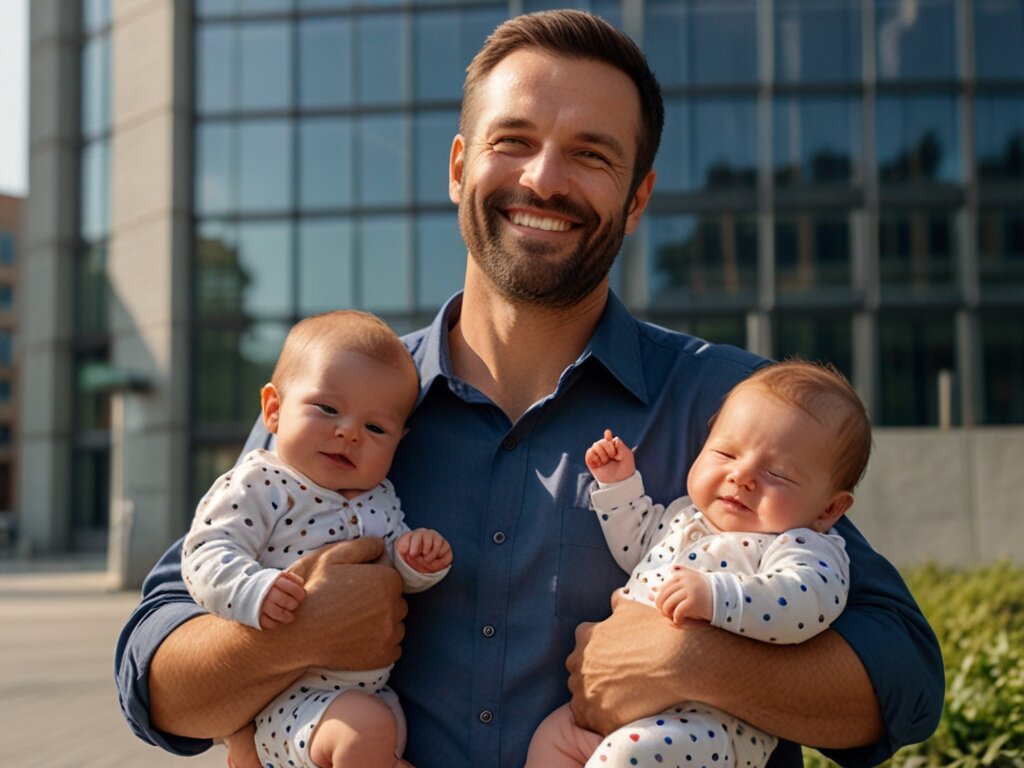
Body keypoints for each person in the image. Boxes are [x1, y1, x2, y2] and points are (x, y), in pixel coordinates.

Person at [115, 10, 943, 768]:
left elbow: (904, 681)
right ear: (458, 165)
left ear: (638, 197)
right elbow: (154, 683)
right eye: (513, 139)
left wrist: (690, 658)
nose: (544, 179)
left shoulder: (731, 408)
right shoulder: (336, 399)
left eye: (591, 153)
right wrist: (289, 640)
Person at [525, 360, 868, 768]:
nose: (742, 476)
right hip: (613, 718)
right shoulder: (684, 515)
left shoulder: (800, 545)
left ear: (830, 508)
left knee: (626, 755)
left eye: (777, 473)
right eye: (726, 453)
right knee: (553, 739)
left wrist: (717, 595)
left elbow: (806, 602)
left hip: (707, 726)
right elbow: (636, 544)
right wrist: (619, 488)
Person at [181, 310, 451, 768]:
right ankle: (247, 741)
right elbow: (204, 553)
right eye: (327, 409)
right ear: (273, 409)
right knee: (367, 733)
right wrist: (252, 589)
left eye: (376, 428)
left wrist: (415, 563)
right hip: (288, 694)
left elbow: (391, 578)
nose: (348, 432)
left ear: (398, 442)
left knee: (381, 734)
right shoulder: (260, 482)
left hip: (364, 692)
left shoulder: (381, 498)